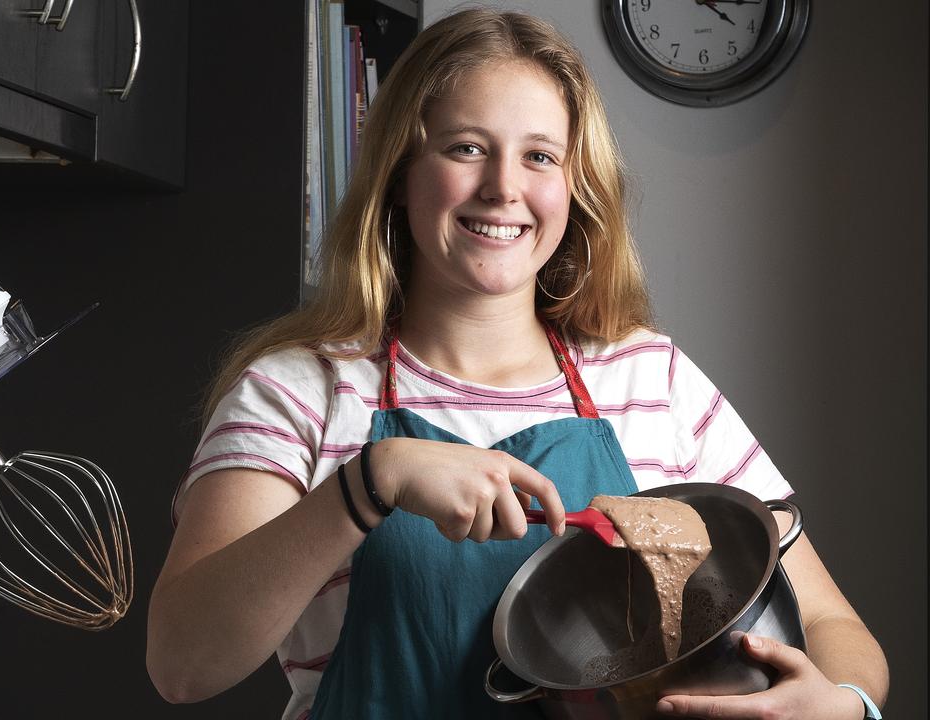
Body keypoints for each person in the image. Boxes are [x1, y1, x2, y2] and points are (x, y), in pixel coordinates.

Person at [146, 9, 888, 720]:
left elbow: (829, 623)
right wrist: (368, 485)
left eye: (540, 156)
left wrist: (844, 705)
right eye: (466, 147)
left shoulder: (650, 381)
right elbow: (182, 664)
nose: (504, 187)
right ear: (401, 175)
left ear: (575, 186)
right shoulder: (296, 392)